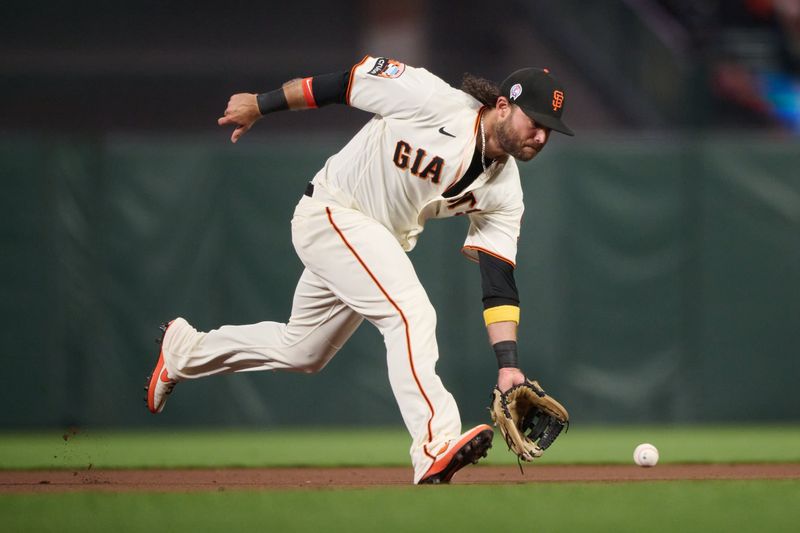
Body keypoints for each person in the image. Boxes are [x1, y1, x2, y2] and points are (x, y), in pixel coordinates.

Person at [145, 55, 574, 484]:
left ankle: (185, 351)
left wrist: (508, 366)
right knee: (411, 314)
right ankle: (433, 444)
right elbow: (344, 84)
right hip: (332, 212)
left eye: (548, 129)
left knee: (303, 350)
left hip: (374, 244)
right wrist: (262, 104)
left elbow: (498, 281)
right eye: (533, 121)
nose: (539, 135)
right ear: (502, 106)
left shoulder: (506, 190)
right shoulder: (431, 99)